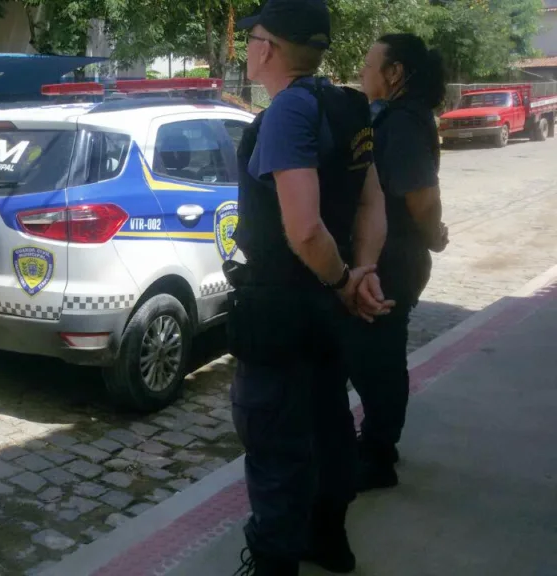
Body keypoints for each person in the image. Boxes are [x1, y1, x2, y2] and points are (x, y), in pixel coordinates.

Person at [224, 1, 394, 574]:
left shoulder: (287, 115)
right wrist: (362, 270)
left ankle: (275, 562)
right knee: (328, 422)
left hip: (284, 306)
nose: (246, 48)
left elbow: (303, 229)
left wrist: (346, 280)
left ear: (268, 47)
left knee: (274, 440)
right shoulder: (346, 105)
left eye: (251, 39)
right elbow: (372, 201)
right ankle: (329, 541)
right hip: (327, 306)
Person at [350, 33, 449, 491]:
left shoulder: (405, 122)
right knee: (374, 357)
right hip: (391, 257)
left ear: (394, 73)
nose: (362, 72)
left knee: (381, 361)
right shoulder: (396, 117)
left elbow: (422, 198)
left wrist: (434, 237)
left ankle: (378, 455)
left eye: (369, 65)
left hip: (395, 261)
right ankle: (376, 444)